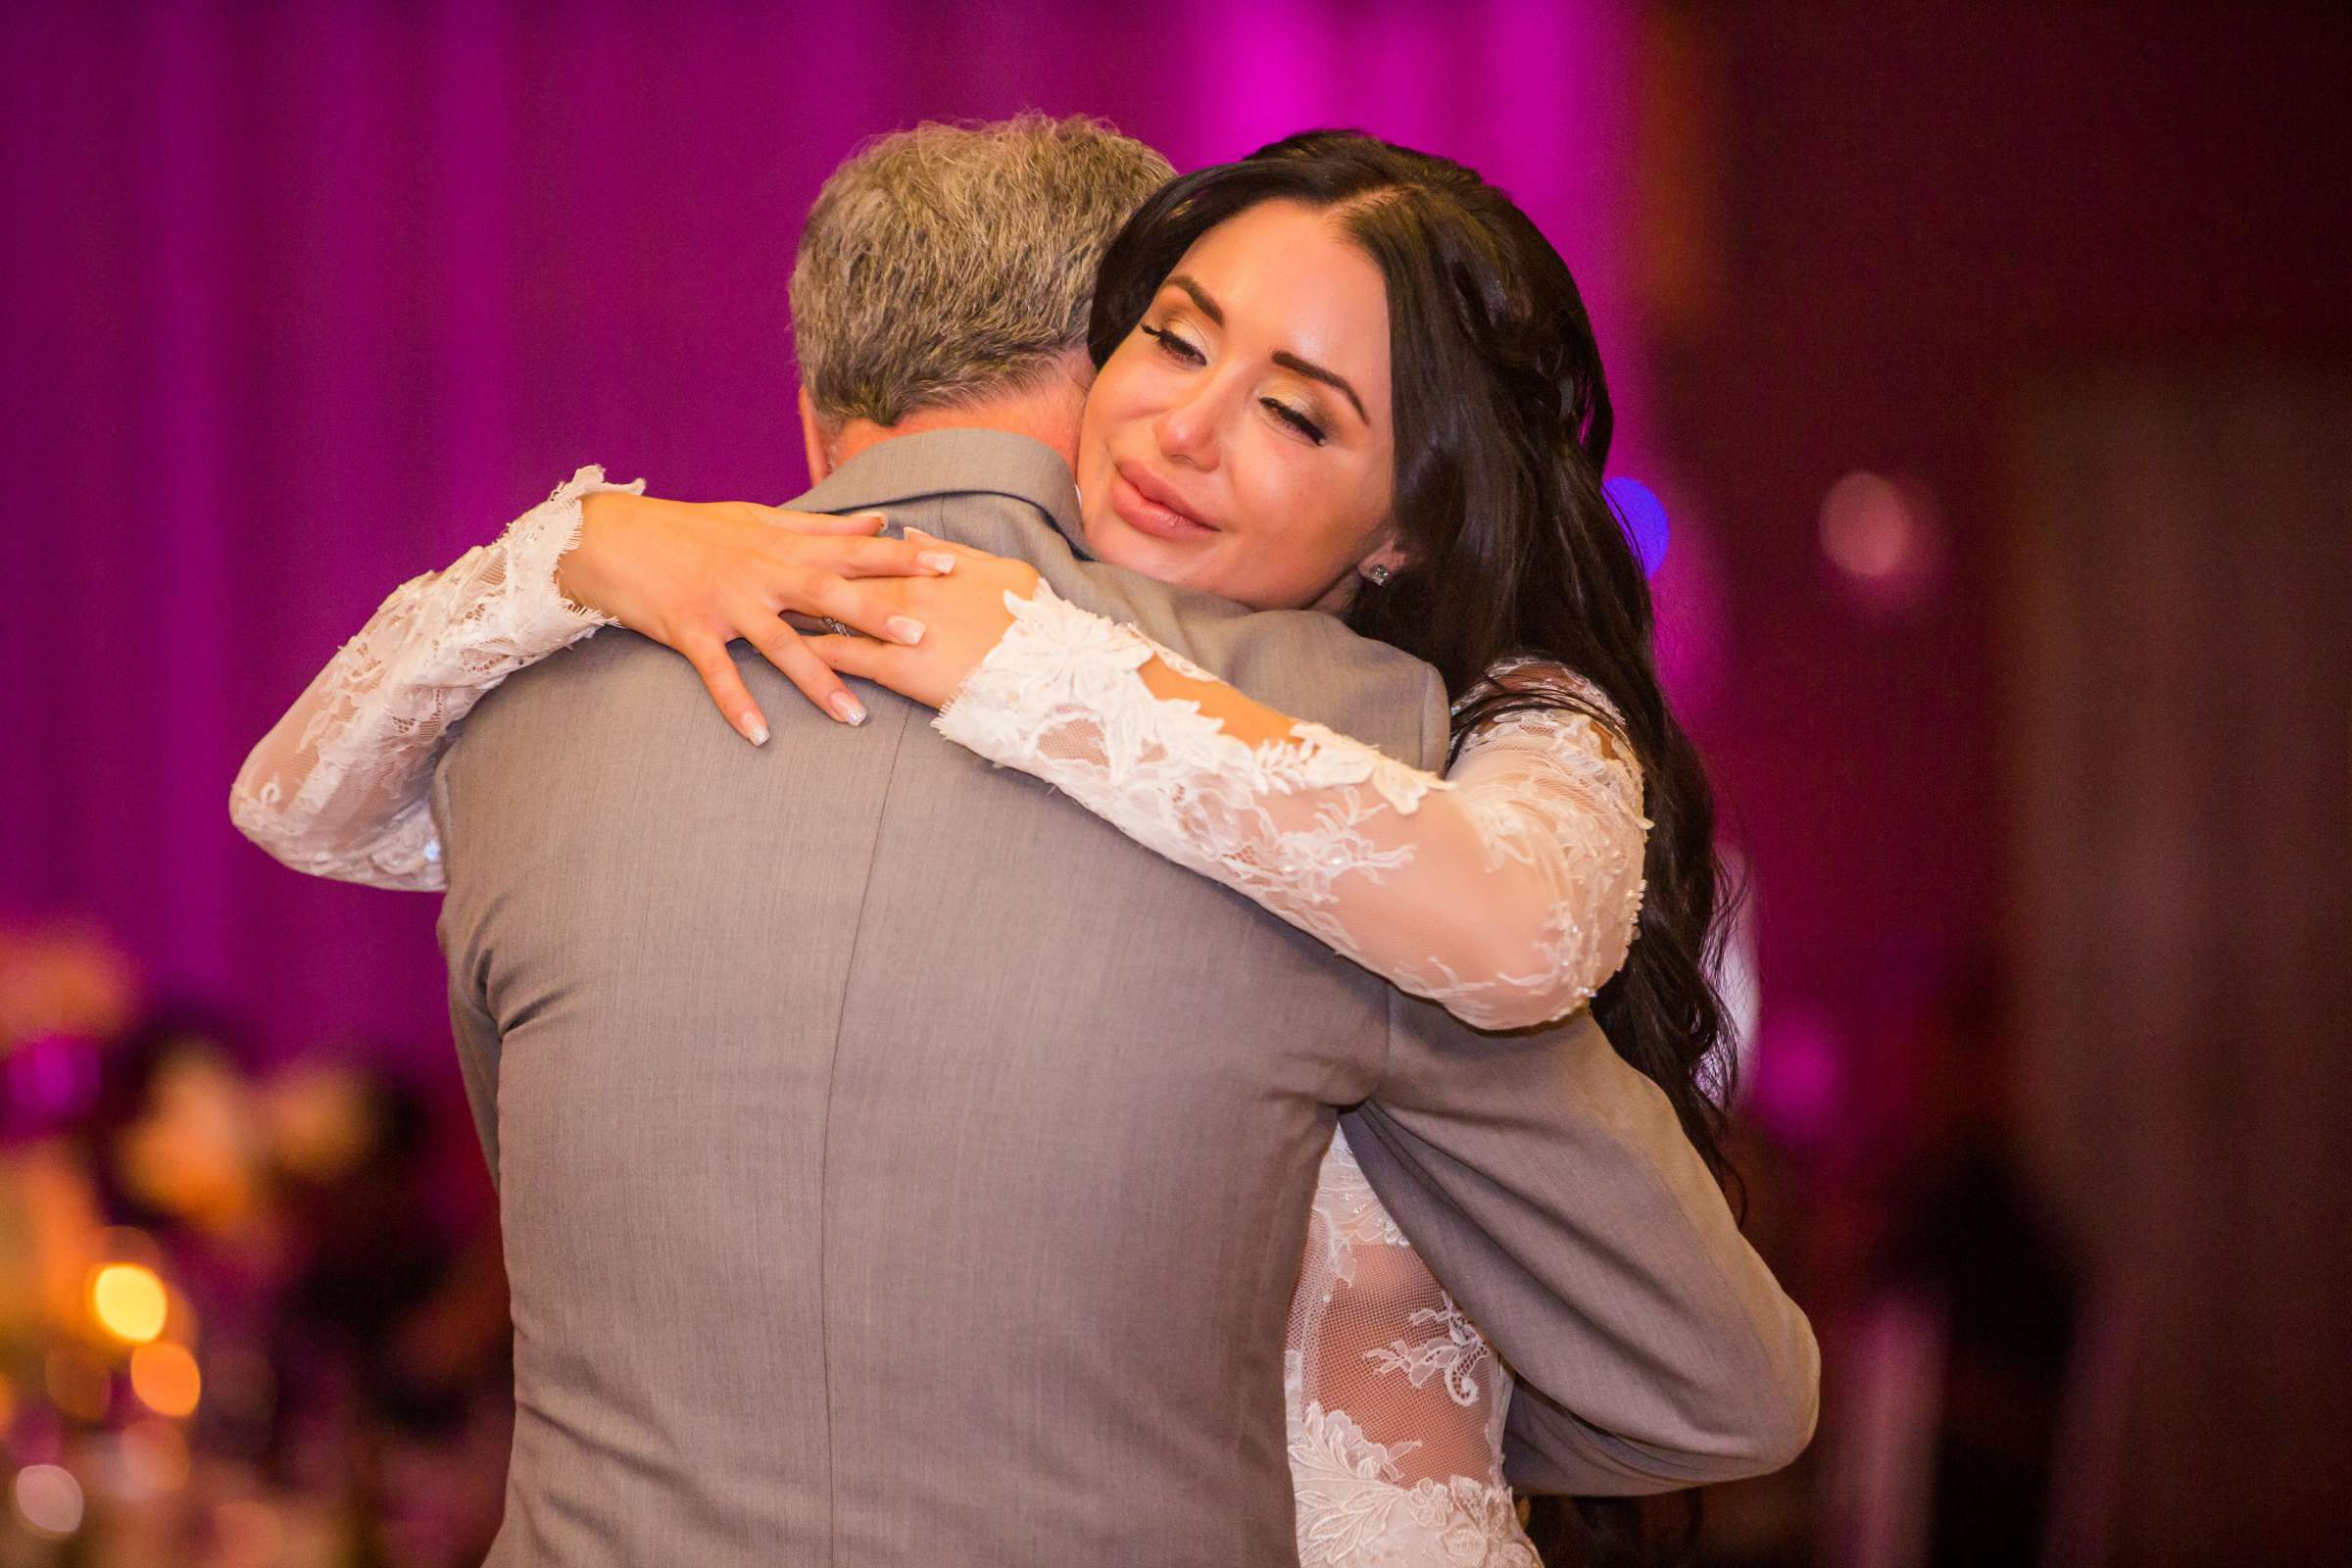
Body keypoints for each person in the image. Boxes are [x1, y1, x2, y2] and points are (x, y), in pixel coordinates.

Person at [234, 118, 1816, 1566]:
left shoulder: (1418, 779)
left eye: (1294, 409)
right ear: (1093, 370)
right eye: (1176, 340)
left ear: (1414, 513)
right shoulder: (1356, 723)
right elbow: (1704, 1386)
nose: (1187, 429)